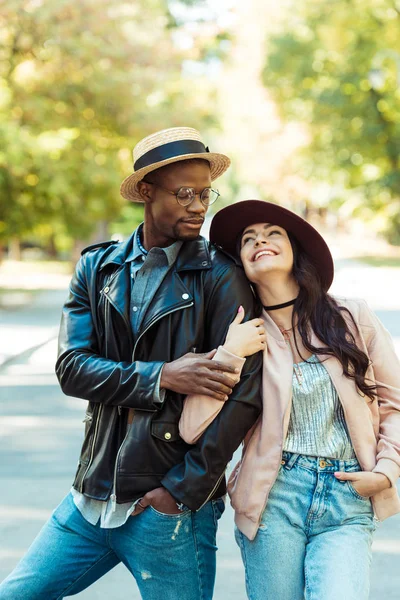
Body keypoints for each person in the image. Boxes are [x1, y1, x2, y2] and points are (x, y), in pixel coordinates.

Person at [0, 129, 264, 600]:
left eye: (206, 194)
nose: (199, 206)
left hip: (167, 510)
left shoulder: (221, 276)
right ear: (146, 191)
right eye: (184, 193)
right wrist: (162, 375)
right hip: (91, 496)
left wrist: (180, 493)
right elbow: (72, 368)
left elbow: (244, 395)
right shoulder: (97, 268)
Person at [180, 199, 400, 600]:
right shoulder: (240, 334)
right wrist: (229, 353)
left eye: (272, 233)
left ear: (296, 249)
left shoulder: (352, 317)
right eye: (248, 239)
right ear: (240, 263)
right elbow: (191, 427)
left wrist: (387, 470)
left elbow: (394, 403)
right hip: (273, 499)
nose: (259, 240)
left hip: (348, 496)